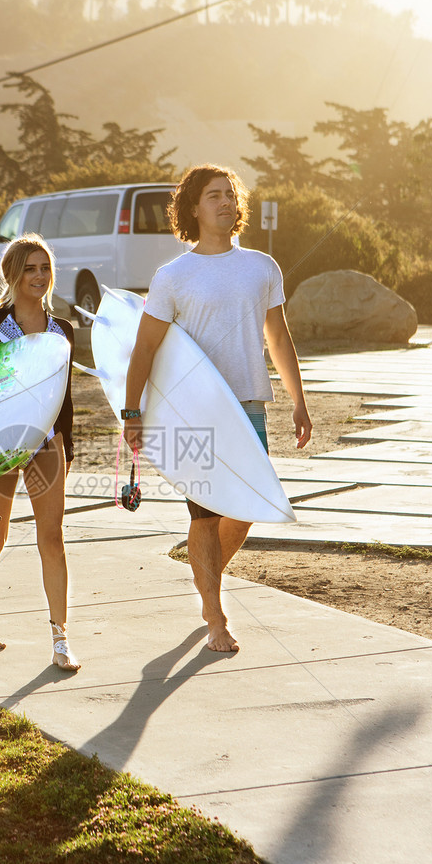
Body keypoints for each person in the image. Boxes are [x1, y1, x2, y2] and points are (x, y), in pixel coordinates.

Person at [122, 164, 312, 653]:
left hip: (248, 405)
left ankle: (204, 575)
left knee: (245, 509)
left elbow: (278, 336)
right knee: (206, 516)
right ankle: (214, 615)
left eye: (230, 194)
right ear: (193, 208)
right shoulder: (173, 276)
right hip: (196, 411)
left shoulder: (262, 266)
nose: (226, 202)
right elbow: (144, 349)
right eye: (213, 196)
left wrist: (299, 401)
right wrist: (132, 411)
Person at [0, 233, 80, 671]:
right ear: (13, 274)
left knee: (53, 539)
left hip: (44, 448)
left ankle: (61, 639)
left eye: (45, 268)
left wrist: (68, 446)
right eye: (30, 269)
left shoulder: (63, 331)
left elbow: (66, 396)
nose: (39, 276)